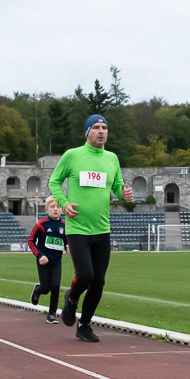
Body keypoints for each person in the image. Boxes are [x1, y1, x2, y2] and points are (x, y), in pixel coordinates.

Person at [48, 114, 133, 343]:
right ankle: (72, 298)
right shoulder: (72, 155)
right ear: (87, 132)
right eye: (96, 127)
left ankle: (84, 325)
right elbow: (54, 181)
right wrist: (64, 203)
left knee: (99, 281)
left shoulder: (112, 158)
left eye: (104, 128)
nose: (101, 131)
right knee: (85, 275)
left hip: (102, 229)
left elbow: (117, 186)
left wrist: (123, 194)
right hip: (77, 229)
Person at [29, 196, 66, 324]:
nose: (55, 209)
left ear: (62, 210)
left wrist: (68, 246)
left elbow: (67, 240)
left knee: (55, 286)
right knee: (46, 288)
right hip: (44, 261)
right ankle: (38, 290)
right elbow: (31, 241)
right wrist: (39, 255)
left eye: (58, 207)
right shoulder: (41, 224)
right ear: (47, 209)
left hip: (57, 261)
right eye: (52, 207)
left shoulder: (65, 225)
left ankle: (51, 314)